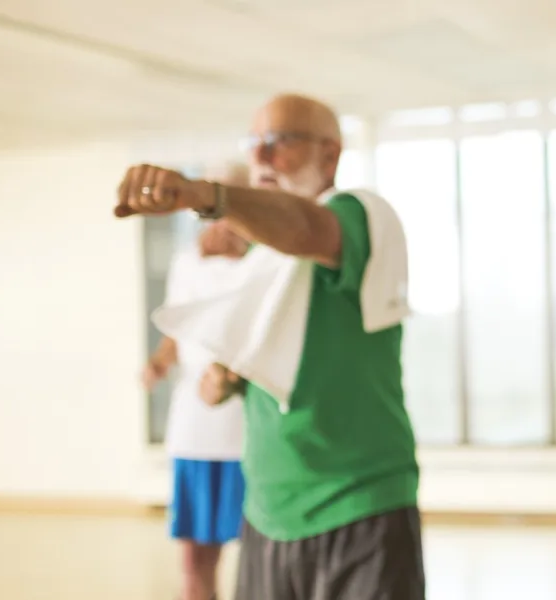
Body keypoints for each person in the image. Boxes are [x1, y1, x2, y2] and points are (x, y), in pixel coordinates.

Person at [115, 94, 423, 600]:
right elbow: (285, 350)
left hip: (361, 504)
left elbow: (305, 227)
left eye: (279, 142)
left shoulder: (362, 214)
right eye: (254, 142)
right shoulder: (260, 253)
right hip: (268, 510)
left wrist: (206, 195)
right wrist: (230, 378)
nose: (259, 157)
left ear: (330, 155)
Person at [142, 163, 252, 600]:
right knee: (194, 558)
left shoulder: (264, 260)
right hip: (194, 429)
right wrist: (158, 363)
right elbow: (177, 328)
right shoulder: (186, 262)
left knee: (260, 559)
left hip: (246, 430)